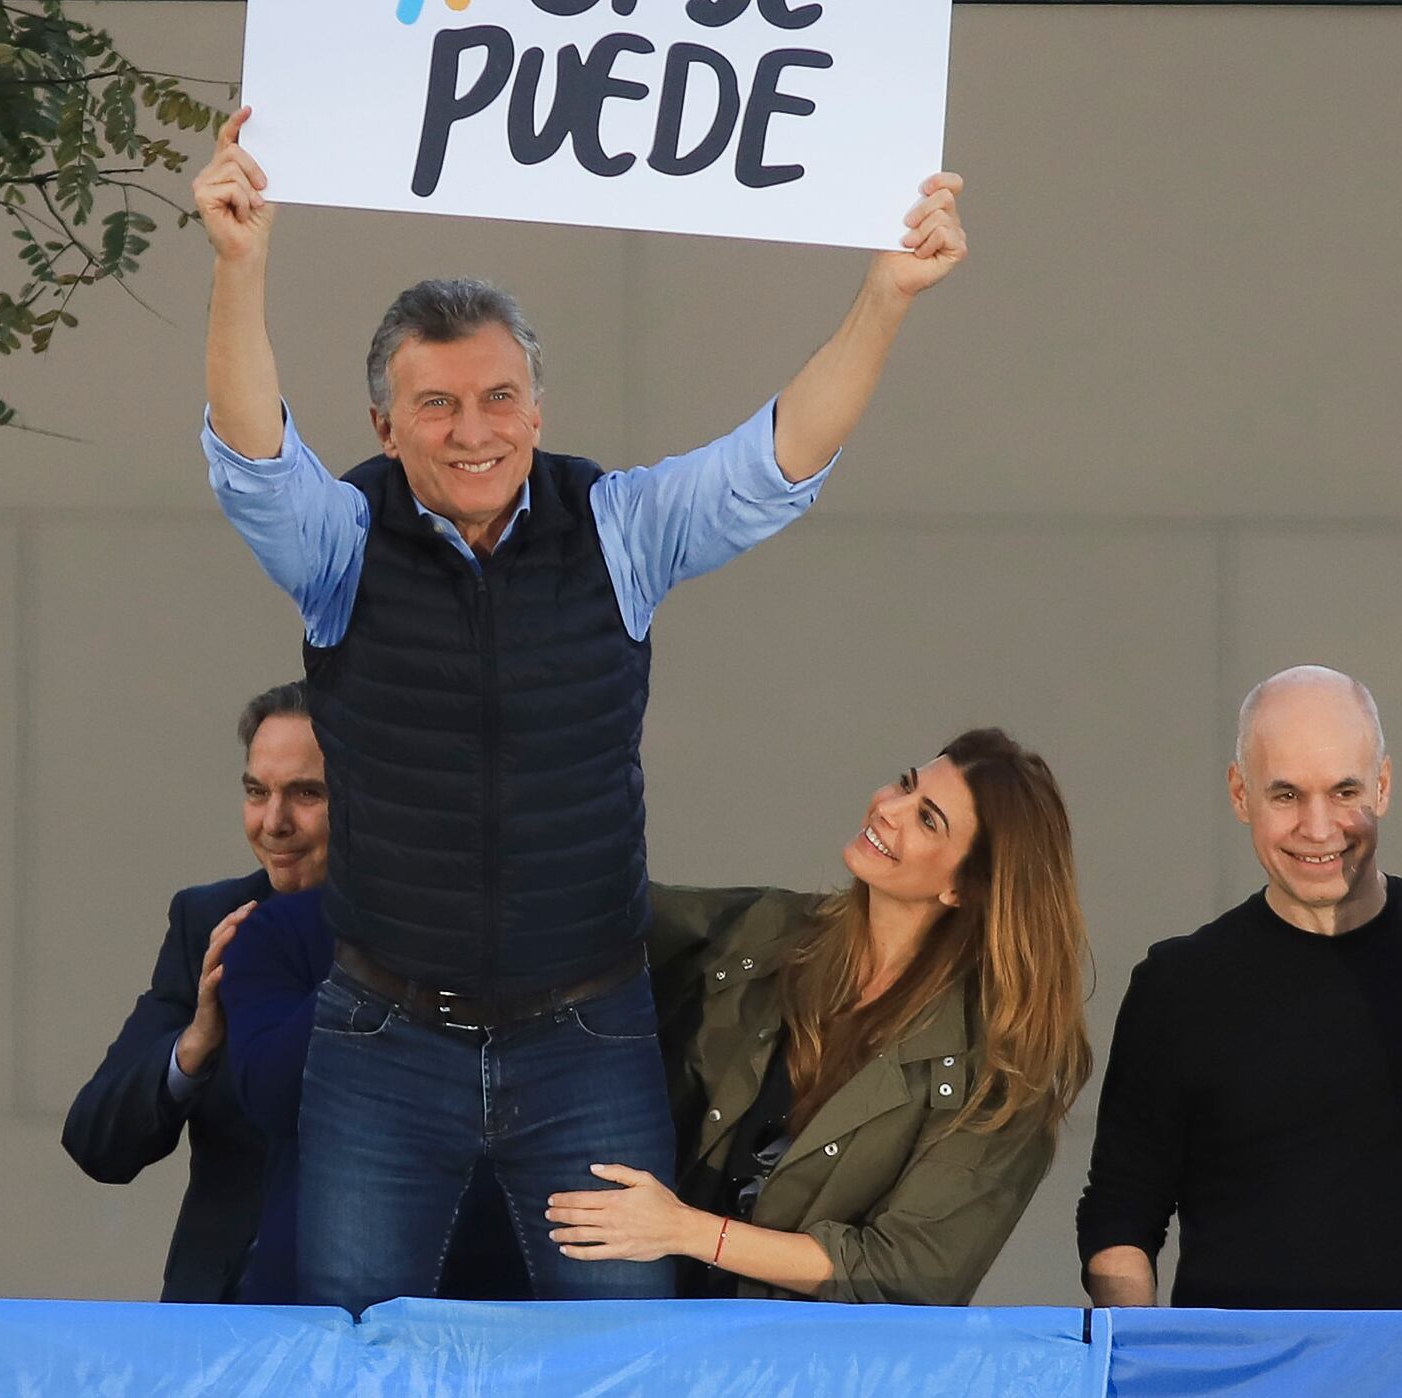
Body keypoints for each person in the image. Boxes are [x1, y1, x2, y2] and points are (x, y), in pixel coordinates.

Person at [195, 106, 970, 1312]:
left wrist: (885, 297)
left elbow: (774, 463)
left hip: (584, 1035)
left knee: (620, 1360)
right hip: (382, 1037)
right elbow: (252, 462)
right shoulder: (341, 544)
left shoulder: (615, 528)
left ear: (538, 411)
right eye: (437, 405)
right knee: (345, 1352)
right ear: (383, 425)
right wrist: (240, 269)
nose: (473, 430)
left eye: (498, 398)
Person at [543, 728, 1090, 1304]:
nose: (889, 808)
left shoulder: (998, 1078)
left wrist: (684, 1230)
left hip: (795, 1370)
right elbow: (604, 915)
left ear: (965, 888)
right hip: (647, 1323)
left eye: (928, 820)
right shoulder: (769, 931)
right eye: (905, 784)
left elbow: (904, 1271)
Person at [1077, 665, 1402, 1310]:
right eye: (1286, 795)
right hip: (1243, 1377)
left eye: (1346, 792)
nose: (1319, 829)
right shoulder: (1178, 988)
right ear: (1240, 795)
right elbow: (1121, 1214)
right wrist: (1148, 1362)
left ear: (1385, 784)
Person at [61, 681, 329, 1302]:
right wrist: (197, 1043)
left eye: (306, 794)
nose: (273, 822)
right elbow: (96, 1141)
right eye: (256, 793)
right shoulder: (210, 922)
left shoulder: (420, 936)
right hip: (224, 1318)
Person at [221, 884, 527, 1305]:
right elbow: (273, 1096)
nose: (276, 822)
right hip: (327, 1301)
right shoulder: (274, 929)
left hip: (501, 1292)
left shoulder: (537, 918)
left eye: (309, 809)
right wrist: (373, 957)